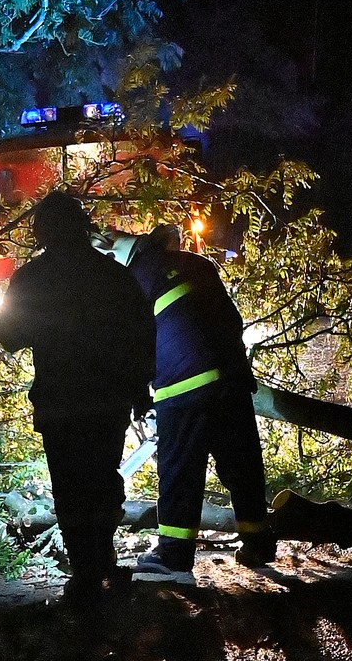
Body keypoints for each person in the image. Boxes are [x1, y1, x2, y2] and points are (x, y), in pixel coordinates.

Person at [0, 192, 154, 603]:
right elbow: (141, 335)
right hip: (107, 401)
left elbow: (10, 337)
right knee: (103, 478)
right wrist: (140, 392)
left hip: (60, 401)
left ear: (42, 231)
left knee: (70, 486)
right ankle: (103, 560)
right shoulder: (114, 275)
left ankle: (85, 571)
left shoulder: (31, 278)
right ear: (84, 227)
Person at [98, 223, 276, 583]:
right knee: (242, 465)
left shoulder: (128, 282)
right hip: (231, 378)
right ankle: (259, 544)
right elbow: (232, 319)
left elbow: (132, 347)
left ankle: (175, 557)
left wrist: (135, 393)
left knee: (180, 470)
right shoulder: (198, 264)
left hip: (184, 386)